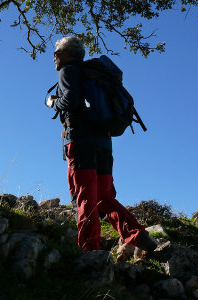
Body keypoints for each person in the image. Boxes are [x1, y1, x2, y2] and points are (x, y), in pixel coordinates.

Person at [46, 36, 157, 252]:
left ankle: (90, 252)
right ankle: (138, 235)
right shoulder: (95, 74)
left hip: (80, 144)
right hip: (104, 144)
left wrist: (52, 102)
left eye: (57, 52)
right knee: (104, 197)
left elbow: (70, 100)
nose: (54, 56)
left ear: (68, 54)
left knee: (85, 195)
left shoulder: (68, 71)